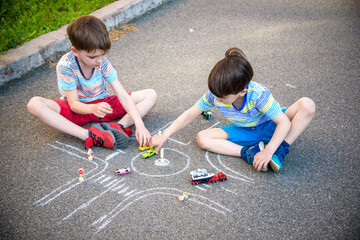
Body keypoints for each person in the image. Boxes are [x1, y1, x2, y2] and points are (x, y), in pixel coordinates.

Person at [150, 47, 315, 172]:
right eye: (215, 94)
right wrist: (165, 135)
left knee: (307, 104)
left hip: (271, 125)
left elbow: (284, 123)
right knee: (203, 138)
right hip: (245, 131)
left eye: (222, 97)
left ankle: (280, 149)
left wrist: (269, 150)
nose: (217, 99)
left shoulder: (258, 94)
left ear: (242, 91)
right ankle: (249, 153)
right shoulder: (216, 94)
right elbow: (191, 113)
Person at [27, 15, 157, 149]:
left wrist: (139, 124)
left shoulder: (102, 61)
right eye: (93, 57)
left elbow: (122, 94)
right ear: (75, 51)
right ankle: (89, 135)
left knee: (151, 94)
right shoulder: (66, 66)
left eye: (103, 54)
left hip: (103, 106)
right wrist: (91, 108)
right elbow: (73, 104)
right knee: (34, 104)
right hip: (79, 110)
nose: (100, 60)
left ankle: (118, 127)